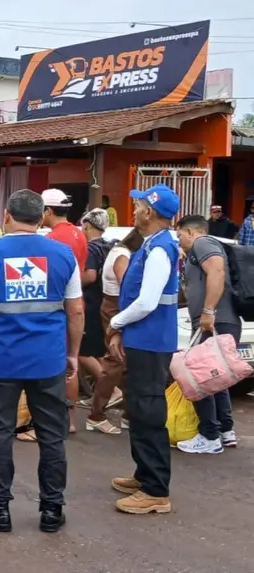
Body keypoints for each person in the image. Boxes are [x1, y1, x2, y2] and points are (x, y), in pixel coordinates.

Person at [0, 189, 84, 533]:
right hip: (48, 362)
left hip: (3, 361)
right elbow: (75, 310)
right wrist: (72, 354)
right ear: (41, 217)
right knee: (52, 435)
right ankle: (52, 510)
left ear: (7, 215)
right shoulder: (63, 254)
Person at [106, 184, 179, 515]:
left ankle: (155, 490)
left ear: (150, 212)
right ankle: (144, 474)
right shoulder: (151, 245)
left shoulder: (161, 249)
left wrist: (117, 323)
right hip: (143, 338)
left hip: (150, 342)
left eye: (137, 206)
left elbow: (147, 301)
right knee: (137, 408)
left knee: (148, 412)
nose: (133, 210)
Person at [176, 215, 240, 454]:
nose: (179, 240)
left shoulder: (202, 243)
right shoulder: (199, 249)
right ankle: (225, 430)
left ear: (191, 232)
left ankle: (209, 436)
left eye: (180, 234)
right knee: (215, 378)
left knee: (198, 376)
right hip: (218, 321)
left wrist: (208, 311)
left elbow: (217, 271)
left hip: (214, 321)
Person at [87, 229, 143, 434]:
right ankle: (96, 414)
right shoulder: (122, 255)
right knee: (115, 361)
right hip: (117, 307)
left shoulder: (119, 251)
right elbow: (126, 288)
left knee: (124, 363)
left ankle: (128, 414)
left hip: (116, 307)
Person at [42, 188, 87, 433]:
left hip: (59, 307)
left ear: (48, 210)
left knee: (58, 365)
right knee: (73, 363)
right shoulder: (79, 233)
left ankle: (59, 419)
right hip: (77, 302)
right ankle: (69, 418)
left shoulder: (52, 239)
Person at [78, 209, 111, 400]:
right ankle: (104, 394)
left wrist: (71, 282)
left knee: (82, 352)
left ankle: (110, 391)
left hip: (89, 305)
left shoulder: (90, 248)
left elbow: (90, 276)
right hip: (103, 303)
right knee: (97, 352)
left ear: (87, 225)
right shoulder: (108, 246)